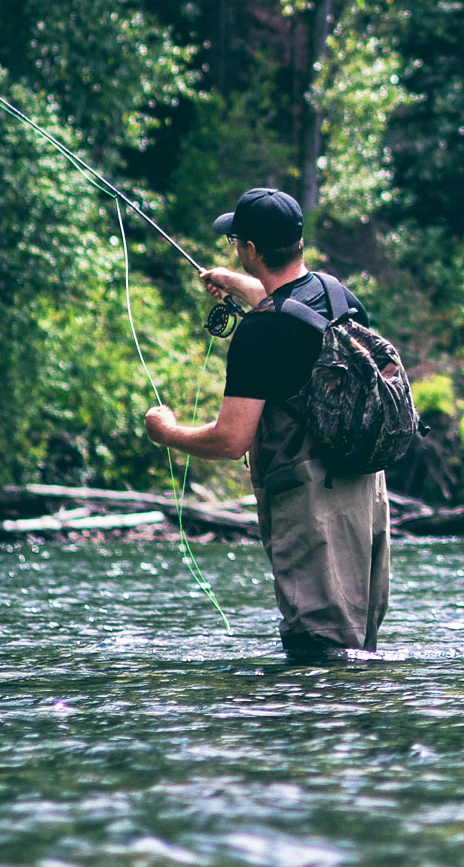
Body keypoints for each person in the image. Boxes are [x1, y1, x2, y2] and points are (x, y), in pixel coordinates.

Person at [143, 187, 391, 659]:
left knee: (319, 643)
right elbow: (287, 305)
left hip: (311, 496)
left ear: (251, 249)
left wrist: (167, 432)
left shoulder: (259, 334)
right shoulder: (337, 294)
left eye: (237, 241)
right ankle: (359, 728)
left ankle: (312, 730)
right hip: (364, 487)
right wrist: (232, 280)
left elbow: (231, 440)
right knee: (358, 641)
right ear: (297, 242)